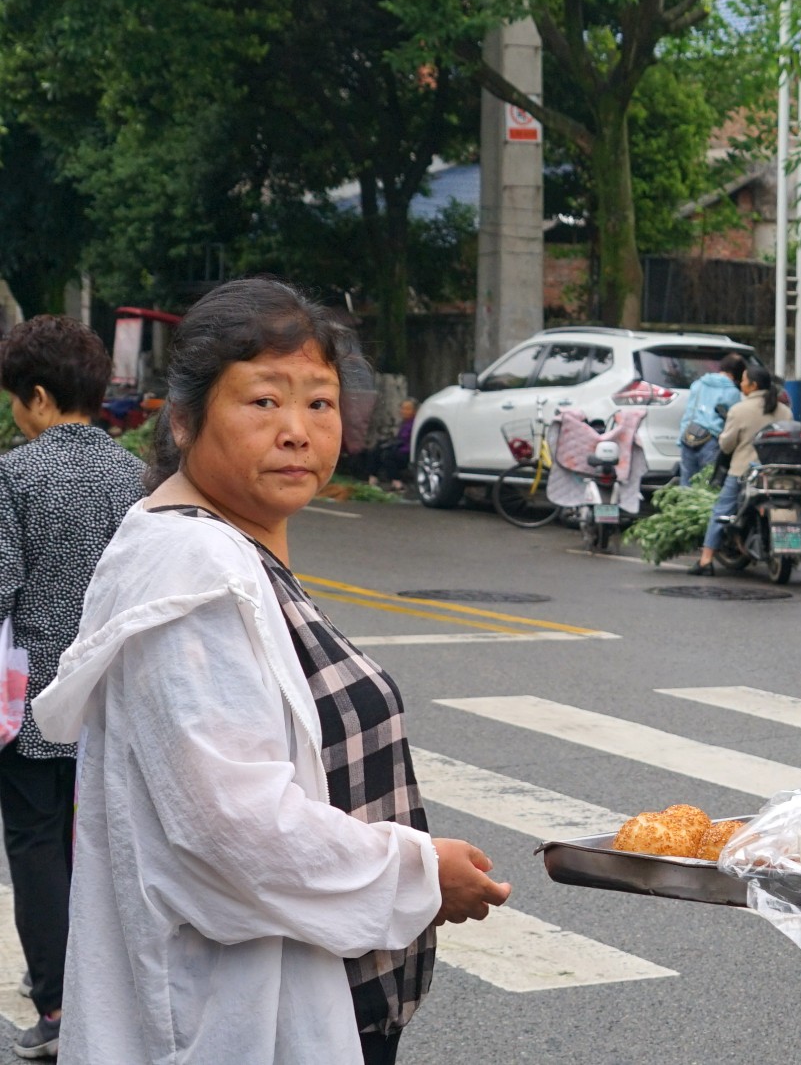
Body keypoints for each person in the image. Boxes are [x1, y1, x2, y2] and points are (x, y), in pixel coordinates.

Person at [32, 279, 511, 1065]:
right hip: (249, 1019)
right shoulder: (195, 571)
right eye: (263, 401)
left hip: (322, 993)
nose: (296, 431)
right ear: (183, 419)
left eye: (319, 403)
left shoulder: (227, 546)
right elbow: (231, 832)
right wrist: (417, 875)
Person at [0, 317, 147, 1060]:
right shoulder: (140, 477)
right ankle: (115, 1004)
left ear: (37, 396)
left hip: (32, 707)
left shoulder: (13, 475)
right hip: (117, 700)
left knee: (36, 845)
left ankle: (57, 1008)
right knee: (107, 847)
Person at [688, 367, 792, 575]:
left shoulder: (739, 410)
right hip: (778, 473)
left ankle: (706, 560)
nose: (740, 384)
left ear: (753, 386)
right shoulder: (785, 411)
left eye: (743, 381)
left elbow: (726, 446)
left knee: (721, 510)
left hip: (743, 472)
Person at [677, 353, 745, 485]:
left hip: (689, 436)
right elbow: (733, 421)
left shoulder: (698, 384)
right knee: (708, 483)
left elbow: (689, 412)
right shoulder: (733, 392)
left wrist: (681, 437)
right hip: (712, 440)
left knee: (686, 483)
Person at [369, 397, 417, 491]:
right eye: (403, 408)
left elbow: (407, 442)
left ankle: (397, 482)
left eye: (408, 409)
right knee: (377, 448)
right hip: (399, 448)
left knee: (388, 455)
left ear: (415, 411)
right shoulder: (404, 423)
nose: (404, 411)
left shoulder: (415, 423)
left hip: (408, 452)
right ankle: (373, 477)